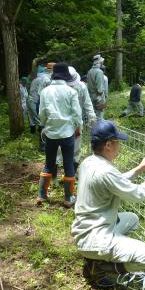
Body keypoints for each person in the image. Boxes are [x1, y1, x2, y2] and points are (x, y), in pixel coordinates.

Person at [71, 120, 145, 288]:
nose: (119, 145)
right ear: (108, 145)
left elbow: (114, 181)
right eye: (117, 141)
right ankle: (100, 268)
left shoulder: (89, 162)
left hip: (86, 230)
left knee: (132, 218)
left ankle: (98, 258)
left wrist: (138, 169)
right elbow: (139, 194)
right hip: (95, 238)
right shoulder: (106, 171)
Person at [37, 63, 82, 208]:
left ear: (54, 75)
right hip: (68, 132)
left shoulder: (45, 91)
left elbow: (41, 114)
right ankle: (68, 198)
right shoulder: (71, 91)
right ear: (66, 77)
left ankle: (42, 196)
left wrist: (45, 126)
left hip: (50, 133)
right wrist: (77, 127)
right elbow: (77, 113)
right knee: (68, 164)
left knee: (48, 163)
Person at [56, 66, 96, 176]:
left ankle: (66, 175)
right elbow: (87, 104)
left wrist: (92, 119)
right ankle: (69, 175)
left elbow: (87, 103)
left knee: (66, 148)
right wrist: (92, 119)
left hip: (66, 122)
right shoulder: (79, 86)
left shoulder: (76, 87)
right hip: (72, 123)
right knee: (69, 149)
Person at [30, 63, 54, 150]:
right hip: (45, 103)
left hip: (40, 102)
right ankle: (44, 144)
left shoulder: (44, 78)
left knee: (42, 123)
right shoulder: (47, 80)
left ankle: (43, 144)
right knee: (44, 124)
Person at [87, 54, 106, 120]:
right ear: (100, 62)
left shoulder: (89, 71)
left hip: (91, 95)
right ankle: (100, 129)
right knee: (100, 114)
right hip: (98, 96)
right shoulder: (99, 72)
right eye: (102, 62)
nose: (103, 63)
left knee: (93, 114)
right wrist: (100, 97)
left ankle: (92, 128)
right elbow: (100, 88)